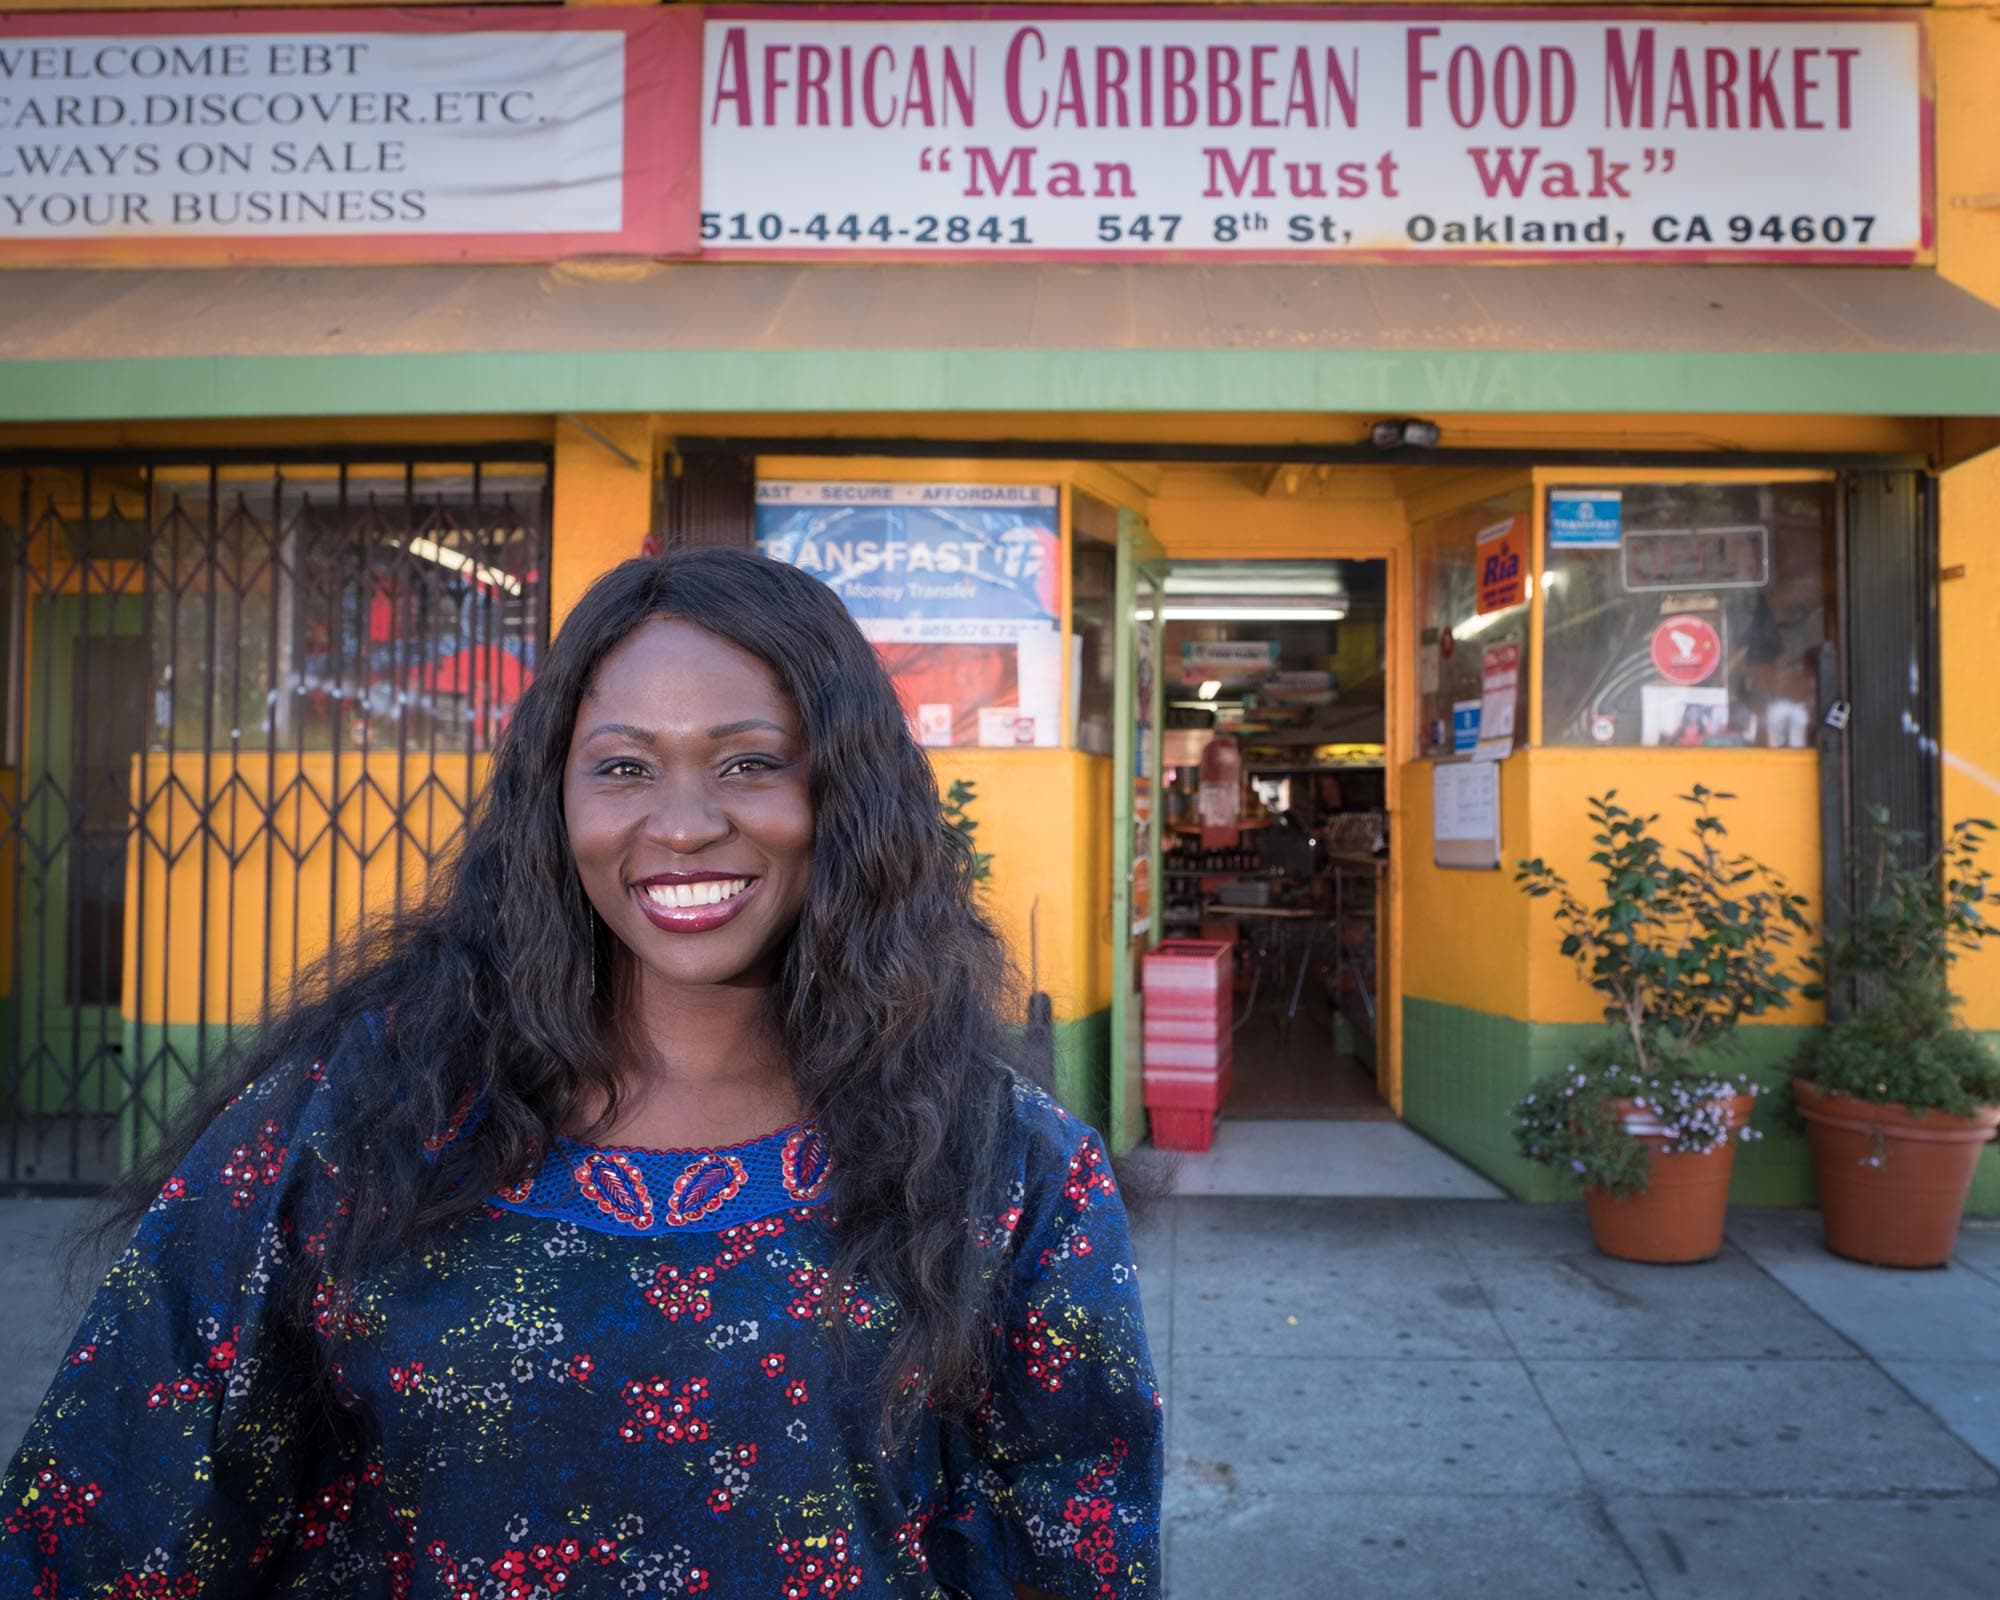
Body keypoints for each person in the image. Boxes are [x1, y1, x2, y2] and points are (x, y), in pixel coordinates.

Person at [3, 551, 1163, 1597]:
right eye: (621, 768)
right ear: (552, 805)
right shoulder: (354, 1114)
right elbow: (117, 1507)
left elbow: (1076, 1556)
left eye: (750, 761)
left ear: (841, 797)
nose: (682, 822)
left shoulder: (1005, 1164)